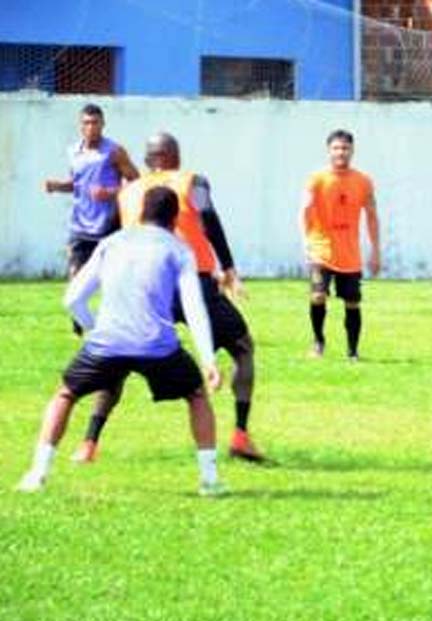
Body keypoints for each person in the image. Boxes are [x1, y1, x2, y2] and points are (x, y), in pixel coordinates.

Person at [16, 186, 226, 496]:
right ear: (174, 219)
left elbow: (72, 299)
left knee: (65, 395)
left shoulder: (111, 242)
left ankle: (37, 474)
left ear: (141, 212)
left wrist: (94, 328)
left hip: (106, 344)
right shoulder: (179, 249)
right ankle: (209, 480)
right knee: (196, 395)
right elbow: (194, 308)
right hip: (158, 347)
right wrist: (208, 360)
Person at [85, 132, 266, 464]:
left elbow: (110, 235)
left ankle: (89, 442)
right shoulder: (192, 181)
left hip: (146, 286)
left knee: (120, 360)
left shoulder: (128, 192)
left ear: (148, 158)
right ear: (172, 155)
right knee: (243, 347)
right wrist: (229, 269)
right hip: (193, 280)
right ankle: (240, 435)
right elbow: (210, 219)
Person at [43, 103, 139, 461]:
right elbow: (80, 185)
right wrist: (60, 186)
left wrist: (112, 194)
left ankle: (103, 331)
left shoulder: (114, 152)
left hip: (108, 229)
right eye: (85, 122)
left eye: (96, 121)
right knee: (74, 283)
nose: (91, 127)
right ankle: (87, 331)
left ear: (103, 124)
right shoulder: (74, 152)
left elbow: (137, 181)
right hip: (80, 228)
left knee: (110, 286)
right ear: (79, 126)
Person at [301, 129, 381, 361]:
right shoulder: (316, 179)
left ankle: (353, 352)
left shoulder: (363, 181)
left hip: (349, 254)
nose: (340, 152)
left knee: (352, 302)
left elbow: (373, 216)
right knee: (317, 296)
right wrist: (305, 239)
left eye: (345, 148)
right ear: (329, 151)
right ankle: (318, 342)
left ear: (352, 151)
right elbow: (303, 210)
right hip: (321, 250)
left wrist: (375, 250)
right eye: (336, 148)